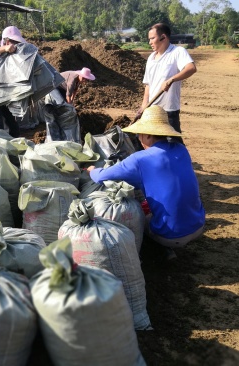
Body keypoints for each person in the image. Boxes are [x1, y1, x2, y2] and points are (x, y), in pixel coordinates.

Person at [87, 105, 205, 258]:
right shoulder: (181, 149)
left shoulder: (139, 159)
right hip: (198, 225)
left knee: (132, 216)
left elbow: (101, 176)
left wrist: (91, 169)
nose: (139, 138)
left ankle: (161, 250)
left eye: (140, 134)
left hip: (171, 236)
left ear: (148, 136)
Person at [137, 23, 197, 141]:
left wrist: (171, 79)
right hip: (152, 110)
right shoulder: (151, 58)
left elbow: (191, 68)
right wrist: (144, 105)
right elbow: (148, 84)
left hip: (168, 111)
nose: (150, 42)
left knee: (173, 143)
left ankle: (182, 159)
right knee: (147, 142)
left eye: (152, 38)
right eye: (149, 39)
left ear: (163, 37)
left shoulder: (177, 52)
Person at [44, 67, 95, 143]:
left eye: (86, 79)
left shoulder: (78, 80)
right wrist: (69, 106)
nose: (85, 81)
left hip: (61, 88)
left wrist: (71, 103)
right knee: (61, 104)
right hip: (53, 87)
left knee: (66, 105)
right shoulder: (72, 79)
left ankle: (61, 119)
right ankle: (57, 127)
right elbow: (68, 95)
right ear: (80, 75)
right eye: (84, 78)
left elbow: (74, 91)